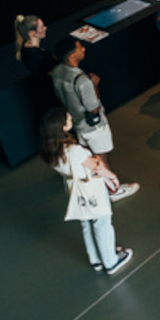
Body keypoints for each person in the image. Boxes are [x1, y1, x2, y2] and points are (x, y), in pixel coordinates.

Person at [39, 108, 133, 275]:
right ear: (62, 127)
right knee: (102, 224)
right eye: (67, 119)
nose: (70, 119)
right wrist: (113, 177)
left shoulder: (51, 152)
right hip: (91, 190)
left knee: (86, 225)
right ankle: (111, 261)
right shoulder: (74, 151)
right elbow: (96, 167)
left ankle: (96, 259)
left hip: (75, 192)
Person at [51, 38, 138, 200]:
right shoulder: (83, 81)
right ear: (71, 56)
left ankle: (104, 189)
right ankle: (114, 190)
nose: (83, 49)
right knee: (101, 159)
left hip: (78, 126)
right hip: (94, 128)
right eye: (79, 48)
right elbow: (93, 107)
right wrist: (95, 85)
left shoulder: (57, 72)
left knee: (93, 157)